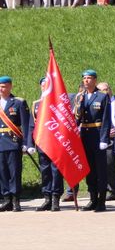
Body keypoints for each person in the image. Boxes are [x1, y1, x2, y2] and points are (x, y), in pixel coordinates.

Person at [74, 70, 112, 212]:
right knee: (89, 170)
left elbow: (106, 119)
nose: (86, 81)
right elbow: (76, 118)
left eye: (89, 78)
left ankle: (101, 200)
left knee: (100, 170)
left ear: (95, 80)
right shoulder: (80, 97)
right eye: (84, 78)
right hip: (85, 136)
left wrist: (104, 138)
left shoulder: (102, 96)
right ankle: (92, 199)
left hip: (97, 135)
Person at [0, 76, 32, 212]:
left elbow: (25, 124)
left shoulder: (18, 102)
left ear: (10, 86)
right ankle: (6, 198)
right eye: (0, 86)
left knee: (14, 172)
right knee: (2, 172)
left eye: (4, 86)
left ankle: (15, 199)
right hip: (0, 143)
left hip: (13, 142)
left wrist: (26, 143)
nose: (1, 89)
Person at [31, 78, 63, 211]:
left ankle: (56, 197)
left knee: (56, 170)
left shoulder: (58, 103)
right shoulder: (36, 104)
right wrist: (31, 143)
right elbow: (32, 125)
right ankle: (47, 197)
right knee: (45, 170)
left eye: (47, 85)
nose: (45, 87)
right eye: (43, 85)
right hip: (42, 142)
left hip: (55, 142)